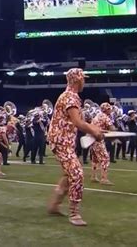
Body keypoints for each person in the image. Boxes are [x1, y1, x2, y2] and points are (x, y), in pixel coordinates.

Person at [47, 68, 104, 226]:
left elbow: (77, 123)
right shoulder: (71, 97)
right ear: (77, 80)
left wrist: (94, 130)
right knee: (77, 174)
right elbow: (78, 123)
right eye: (83, 79)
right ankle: (74, 213)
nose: (84, 81)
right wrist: (94, 131)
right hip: (61, 141)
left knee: (68, 175)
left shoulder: (69, 96)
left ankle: (54, 205)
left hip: (63, 141)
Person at [90, 103, 115, 185]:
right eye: (109, 109)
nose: (110, 110)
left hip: (92, 139)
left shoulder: (96, 116)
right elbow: (112, 129)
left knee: (95, 159)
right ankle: (104, 178)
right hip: (98, 139)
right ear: (106, 110)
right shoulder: (105, 117)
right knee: (105, 158)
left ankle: (93, 176)